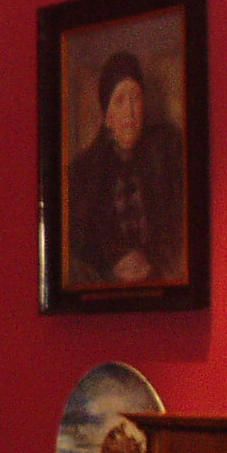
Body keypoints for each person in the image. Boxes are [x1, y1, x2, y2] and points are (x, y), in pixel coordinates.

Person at [65, 50, 186, 288]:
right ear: (107, 116)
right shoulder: (84, 171)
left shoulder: (167, 151)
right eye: (120, 101)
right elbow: (79, 243)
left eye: (136, 99)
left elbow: (180, 229)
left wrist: (153, 262)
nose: (130, 112)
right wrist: (113, 263)